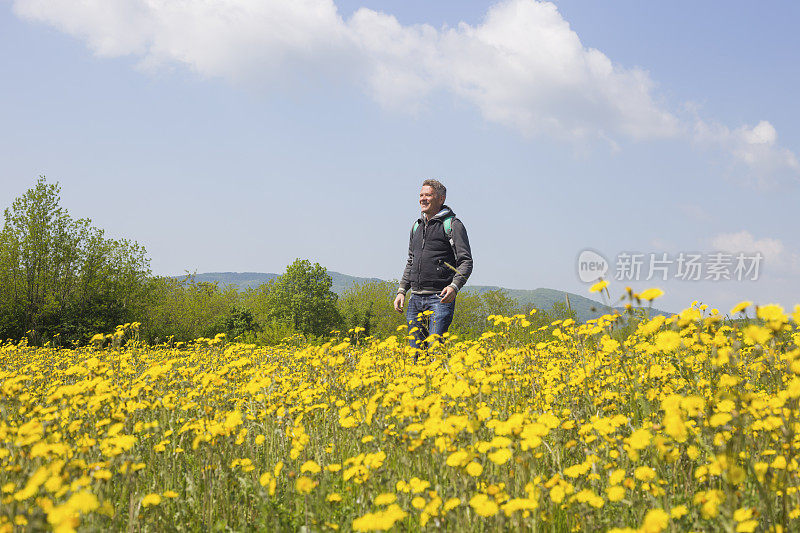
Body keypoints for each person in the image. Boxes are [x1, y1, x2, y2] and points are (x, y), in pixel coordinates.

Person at [394, 179, 473, 352]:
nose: (423, 199)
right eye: (421, 195)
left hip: (440, 298)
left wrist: (454, 287)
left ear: (441, 199)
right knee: (416, 354)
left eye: (428, 195)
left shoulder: (452, 225)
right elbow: (411, 260)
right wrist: (401, 290)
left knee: (436, 352)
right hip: (415, 298)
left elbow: (466, 261)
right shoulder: (416, 226)